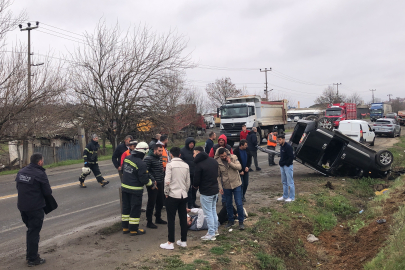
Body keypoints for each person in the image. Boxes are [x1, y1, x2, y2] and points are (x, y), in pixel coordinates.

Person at [16, 153, 52, 266]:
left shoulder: (21, 171)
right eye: (43, 160)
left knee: (31, 230)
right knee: (33, 232)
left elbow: (18, 187)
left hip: (22, 207)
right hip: (35, 208)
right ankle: (32, 258)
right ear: (40, 162)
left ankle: (31, 254)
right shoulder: (40, 173)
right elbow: (47, 192)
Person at [160, 147, 190, 250]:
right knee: (183, 218)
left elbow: (167, 181)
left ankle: (170, 242)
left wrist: (166, 192)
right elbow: (188, 182)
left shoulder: (170, 165)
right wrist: (185, 191)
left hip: (173, 195)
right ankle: (183, 240)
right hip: (183, 194)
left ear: (171, 154)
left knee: (171, 219)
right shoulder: (186, 165)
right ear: (180, 154)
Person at [121, 142, 153, 236]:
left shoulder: (127, 158)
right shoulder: (141, 163)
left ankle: (125, 227)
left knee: (126, 208)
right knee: (135, 209)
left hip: (125, 188)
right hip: (135, 190)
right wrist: (152, 184)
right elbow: (144, 179)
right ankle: (134, 230)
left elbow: (123, 170)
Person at [193, 146, 219, 241]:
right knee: (213, 211)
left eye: (194, 153)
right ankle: (215, 229)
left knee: (208, 213)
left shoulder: (199, 164)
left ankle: (211, 233)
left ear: (198, 152)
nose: (193, 155)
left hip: (206, 191)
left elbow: (196, 180)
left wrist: (195, 186)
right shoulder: (213, 161)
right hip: (214, 190)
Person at [215, 148, 245, 230]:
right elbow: (218, 176)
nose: (224, 157)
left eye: (225, 155)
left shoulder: (233, 157)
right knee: (228, 204)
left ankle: (241, 221)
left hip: (236, 184)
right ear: (219, 156)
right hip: (226, 185)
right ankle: (231, 221)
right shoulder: (218, 162)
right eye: (222, 156)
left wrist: (230, 163)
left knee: (238, 203)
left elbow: (239, 167)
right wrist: (220, 187)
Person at [144, 144, 167, 228]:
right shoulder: (148, 159)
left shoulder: (159, 158)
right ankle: (149, 221)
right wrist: (153, 179)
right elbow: (145, 170)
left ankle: (158, 217)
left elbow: (161, 169)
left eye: (162, 151)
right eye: (159, 151)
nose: (161, 152)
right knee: (151, 202)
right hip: (153, 184)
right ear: (155, 150)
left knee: (160, 201)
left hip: (160, 182)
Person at [180, 137, 199, 209]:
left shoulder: (195, 151)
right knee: (188, 189)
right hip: (187, 173)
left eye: (193, 143)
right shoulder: (182, 151)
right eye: (190, 143)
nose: (191, 145)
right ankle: (189, 204)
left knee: (195, 188)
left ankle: (193, 202)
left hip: (194, 172)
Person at [276, 134, 295, 202]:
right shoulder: (281, 147)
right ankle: (285, 196)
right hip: (282, 166)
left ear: (283, 139)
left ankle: (292, 197)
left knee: (290, 182)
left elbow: (291, 157)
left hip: (288, 166)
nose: (279, 141)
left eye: (280, 139)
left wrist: (287, 164)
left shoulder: (288, 147)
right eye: (278, 140)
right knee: (284, 182)